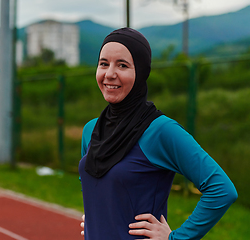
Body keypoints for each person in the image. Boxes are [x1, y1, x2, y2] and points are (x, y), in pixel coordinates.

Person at [78, 27, 238, 240]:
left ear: (141, 71)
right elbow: (92, 182)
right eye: (103, 63)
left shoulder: (160, 130)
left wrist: (176, 238)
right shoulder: (91, 130)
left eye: (123, 65)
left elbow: (222, 190)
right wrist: (96, 219)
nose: (109, 74)